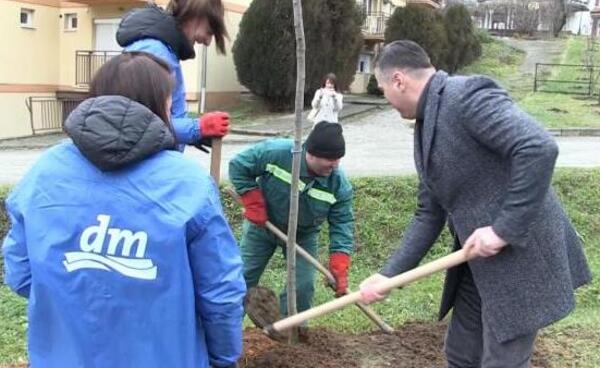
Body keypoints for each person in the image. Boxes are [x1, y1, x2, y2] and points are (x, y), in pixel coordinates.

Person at [2, 52, 245, 368]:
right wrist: (224, 357)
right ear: (160, 106)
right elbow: (221, 294)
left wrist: (77, 297)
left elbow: (20, 273)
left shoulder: (43, 173)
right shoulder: (188, 183)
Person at [359, 40, 591, 368]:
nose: (387, 100)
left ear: (399, 80)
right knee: (461, 354)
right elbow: (429, 213)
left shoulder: (466, 95)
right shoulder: (424, 127)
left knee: (502, 362)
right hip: (477, 263)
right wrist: (388, 275)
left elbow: (538, 147)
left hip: (520, 260)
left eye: (383, 90)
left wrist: (502, 229)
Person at [229, 122, 354, 317]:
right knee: (241, 279)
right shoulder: (277, 153)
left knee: (302, 288)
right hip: (262, 227)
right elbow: (239, 165)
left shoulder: (338, 184)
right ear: (310, 153)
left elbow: (342, 223)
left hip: (303, 236)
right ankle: (226, 330)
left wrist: (340, 260)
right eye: (330, 159)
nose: (335, 165)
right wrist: (252, 199)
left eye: (338, 159)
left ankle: (290, 335)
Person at [117, 0, 230, 149]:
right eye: (209, 31)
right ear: (197, 16)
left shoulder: (166, 52)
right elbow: (141, 123)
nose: (207, 42)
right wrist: (198, 128)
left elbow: (166, 116)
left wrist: (192, 136)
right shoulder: (153, 52)